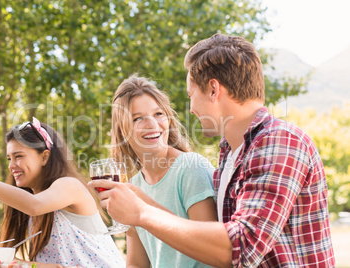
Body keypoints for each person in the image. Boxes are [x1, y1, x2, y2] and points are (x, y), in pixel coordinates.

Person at [89, 34, 336, 267]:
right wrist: (141, 203)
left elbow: (241, 247)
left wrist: (143, 213)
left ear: (213, 90)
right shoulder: (231, 153)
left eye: (191, 95)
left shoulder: (280, 141)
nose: (191, 108)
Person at [0, 118, 125, 268]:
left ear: (44, 157)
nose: (11, 166)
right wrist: (4, 262)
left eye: (19, 156)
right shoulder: (32, 206)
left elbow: (34, 205)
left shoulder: (70, 186)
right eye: (9, 158)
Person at [110, 74, 217, 267]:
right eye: (138, 118)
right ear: (122, 130)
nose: (152, 124)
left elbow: (213, 252)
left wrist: (144, 210)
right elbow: (137, 264)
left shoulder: (191, 168)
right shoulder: (133, 185)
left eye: (158, 114)